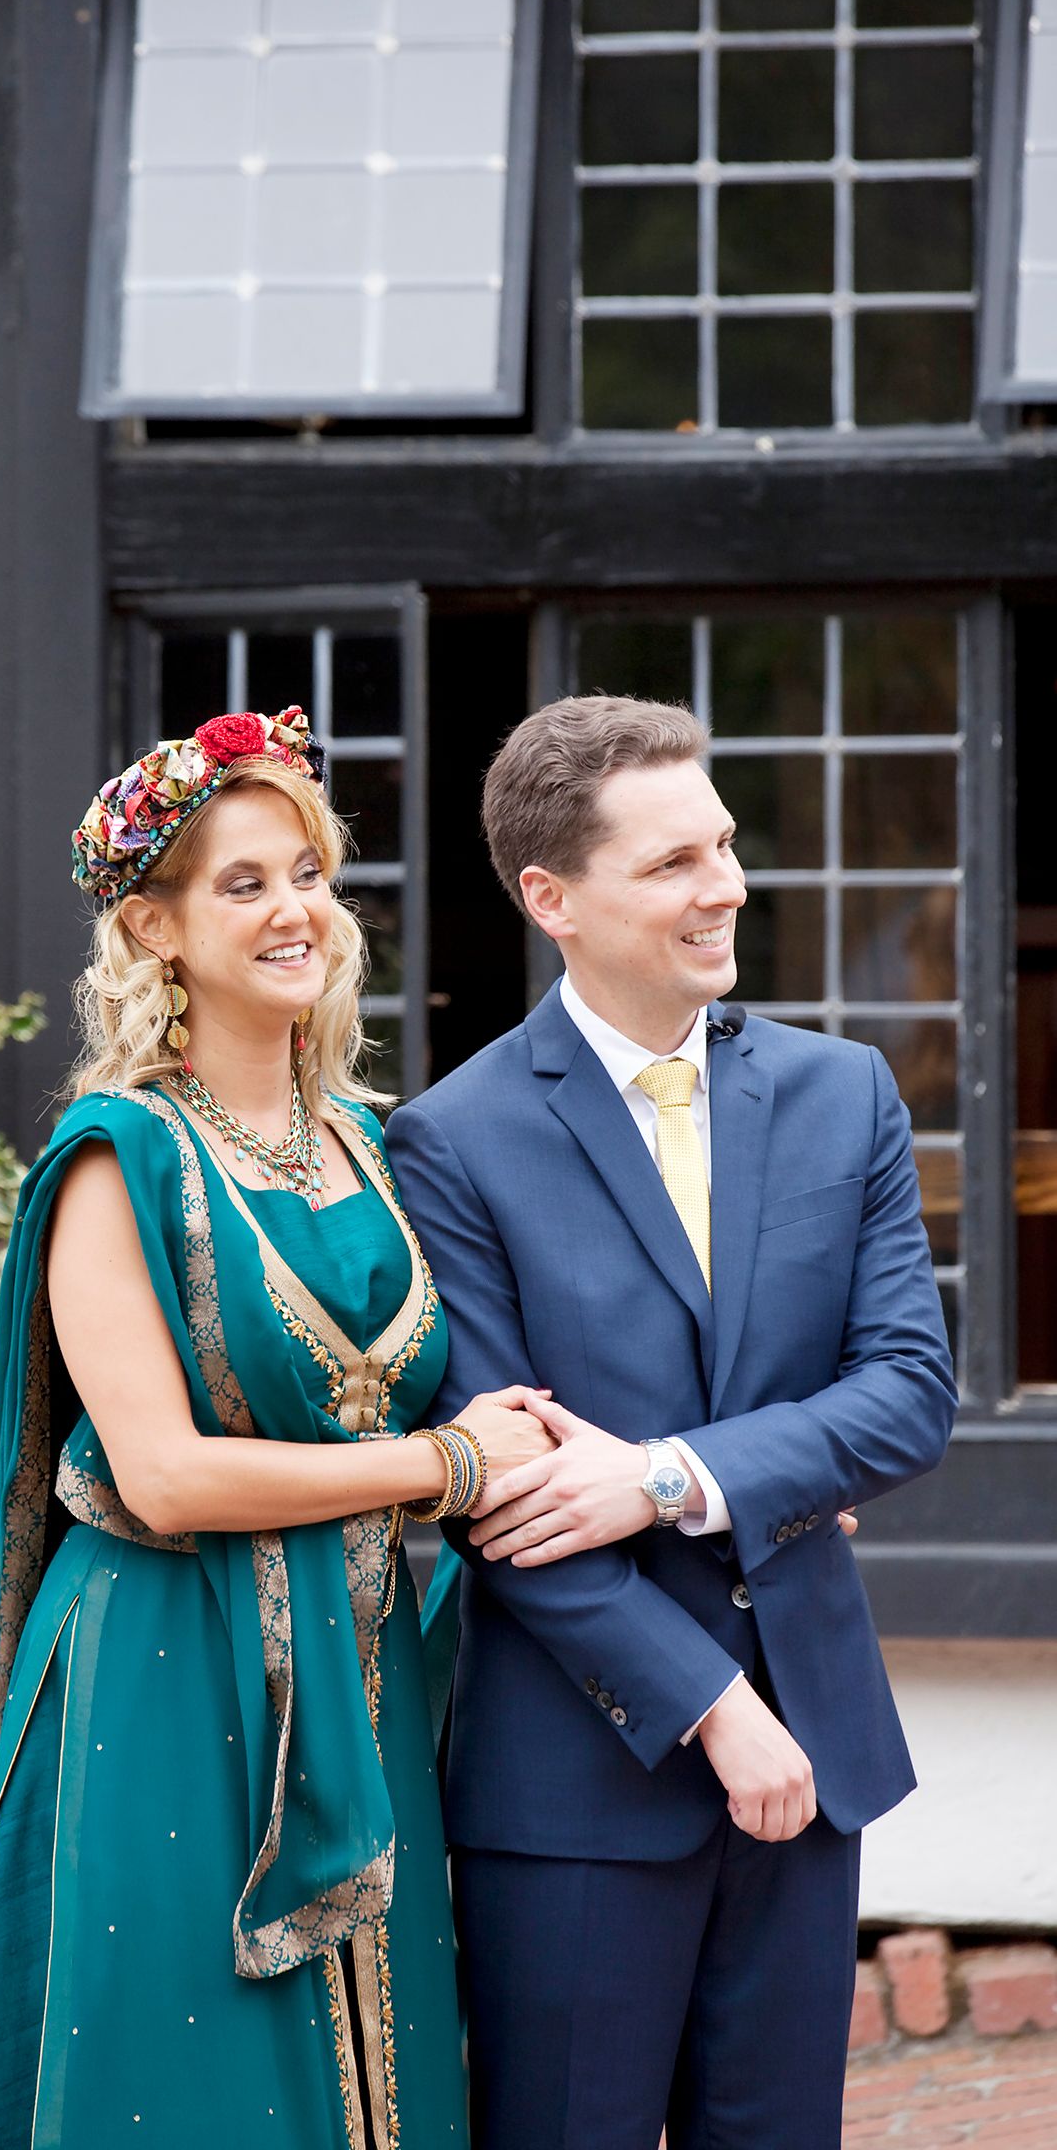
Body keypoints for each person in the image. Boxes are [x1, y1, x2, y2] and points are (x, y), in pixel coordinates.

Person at [0, 707, 550, 2150]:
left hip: (363, 1657)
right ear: (153, 928)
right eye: (244, 883)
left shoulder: (374, 1144)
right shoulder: (116, 1157)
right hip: (165, 1654)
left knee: (383, 2060)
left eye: (308, 875)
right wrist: (446, 1467)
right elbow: (163, 1474)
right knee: (194, 2070)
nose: (294, 911)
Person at [387, 695, 957, 2150]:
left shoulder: (843, 1095)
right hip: (577, 1778)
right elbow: (504, 1496)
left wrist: (665, 1477)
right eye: (673, 863)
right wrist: (716, 1709)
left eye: (723, 846)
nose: (727, 887)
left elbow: (907, 1391)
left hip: (815, 1740)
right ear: (552, 900)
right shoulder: (451, 1140)